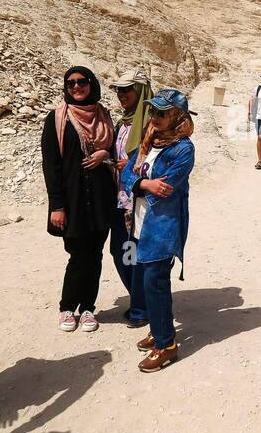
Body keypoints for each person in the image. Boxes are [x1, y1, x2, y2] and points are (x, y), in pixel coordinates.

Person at [121, 89, 196, 372]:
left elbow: (166, 187)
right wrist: (144, 183)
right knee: (145, 279)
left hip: (162, 225)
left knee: (155, 281)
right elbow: (127, 173)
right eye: (153, 111)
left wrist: (142, 184)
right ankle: (159, 328)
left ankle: (166, 345)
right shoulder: (149, 141)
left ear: (177, 116)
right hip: (141, 221)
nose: (155, 117)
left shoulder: (183, 149)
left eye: (162, 113)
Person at [42, 66, 118, 334]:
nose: (76, 87)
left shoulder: (104, 115)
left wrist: (103, 154)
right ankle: (67, 307)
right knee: (77, 255)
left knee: (95, 255)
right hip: (72, 200)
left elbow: (116, 151)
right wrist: (57, 206)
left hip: (100, 197)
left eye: (82, 82)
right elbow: (51, 166)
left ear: (91, 84)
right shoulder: (57, 119)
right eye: (70, 83)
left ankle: (88, 308)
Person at [109, 68, 152, 328]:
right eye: (118, 90)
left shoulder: (152, 122)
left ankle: (141, 308)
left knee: (135, 253)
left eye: (127, 89)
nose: (121, 95)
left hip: (140, 199)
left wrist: (134, 162)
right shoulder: (124, 122)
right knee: (121, 251)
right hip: (120, 197)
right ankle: (143, 300)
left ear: (141, 91)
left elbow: (159, 156)